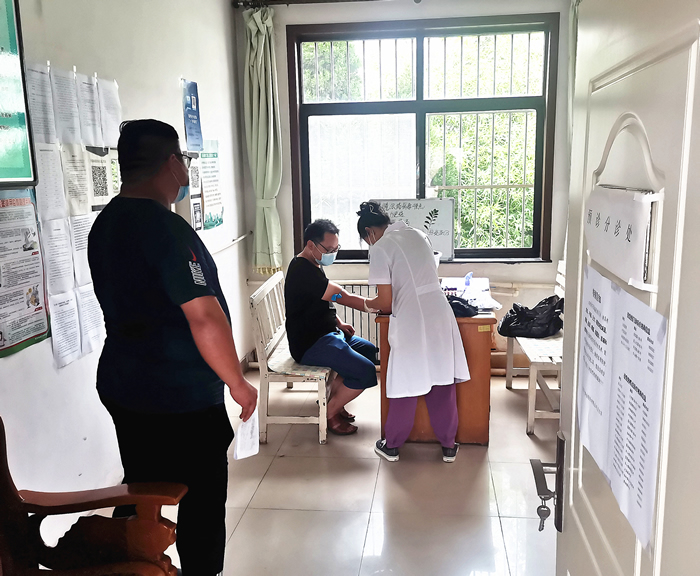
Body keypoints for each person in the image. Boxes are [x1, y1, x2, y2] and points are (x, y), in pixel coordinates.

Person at [88, 119, 257, 576]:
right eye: (182, 157)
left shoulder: (105, 224)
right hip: (180, 395)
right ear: (172, 164)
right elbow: (204, 316)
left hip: (124, 384)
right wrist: (238, 383)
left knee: (140, 486)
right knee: (201, 497)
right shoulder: (166, 229)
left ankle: (125, 564)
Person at [358, 201, 470, 463]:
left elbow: (385, 302)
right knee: (442, 378)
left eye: (366, 240)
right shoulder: (418, 234)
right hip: (439, 313)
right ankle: (449, 446)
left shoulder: (380, 248)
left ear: (369, 232)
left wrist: (364, 304)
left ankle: (392, 446)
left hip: (411, 318)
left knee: (405, 381)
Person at [285, 219, 378, 436]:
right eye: (329, 250)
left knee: (368, 350)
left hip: (328, 334)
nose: (333, 254)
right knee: (365, 371)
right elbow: (340, 296)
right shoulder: (302, 271)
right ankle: (329, 413)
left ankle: (333, 400)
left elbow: (322, 300)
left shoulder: (312, 264)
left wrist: (339, 323)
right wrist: (371, 305)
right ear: (311, 245)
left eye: (336, 249)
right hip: (310, 343)